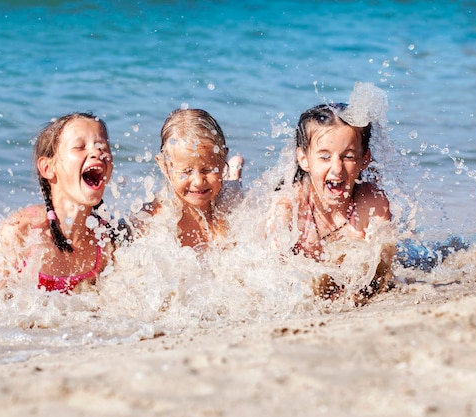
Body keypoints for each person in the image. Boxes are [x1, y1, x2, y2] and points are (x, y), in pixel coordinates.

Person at [0, 112, 117, 293]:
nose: (96, 152)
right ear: (47, 168)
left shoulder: (105, 242)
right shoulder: (24, 232)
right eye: (80, 147)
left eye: (102, 146)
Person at [267, 99, 394, 304]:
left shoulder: (372, 204)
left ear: (364, 159)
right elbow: (271, 271)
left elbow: (381, 273)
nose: (337, 168)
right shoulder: (289, 205)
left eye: (348, 157)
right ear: (304, 159)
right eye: (324, 157)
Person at [134, 108, 244, 249]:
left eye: (207, 169)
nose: (198, 182)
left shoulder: (233, 204)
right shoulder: (154, 219)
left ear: (222, 163)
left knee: (234, 188)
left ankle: (234, 172)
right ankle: (233, 170)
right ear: (164, 165)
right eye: (186, 171)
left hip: (228, 189)